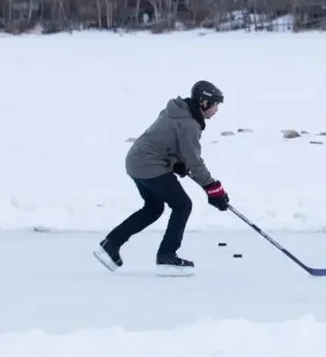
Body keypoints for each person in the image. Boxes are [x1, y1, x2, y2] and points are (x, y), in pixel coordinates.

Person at [95, 80, 231, 272]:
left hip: (136, 162)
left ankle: (110, 244)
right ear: (204, 103)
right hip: (150, 165)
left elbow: (165, 141)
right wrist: (214, 189)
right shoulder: (189, 123)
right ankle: (167, 256)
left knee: (153, 208)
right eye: (215, 104)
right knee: (182, 205)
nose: (217, 109)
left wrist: (176, 163)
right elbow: (194, 162)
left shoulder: (177, 112)